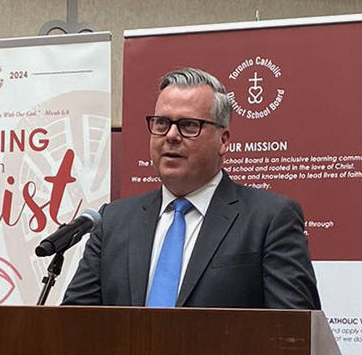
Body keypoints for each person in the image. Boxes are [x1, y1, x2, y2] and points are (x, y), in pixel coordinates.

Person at [62, 67, 320, 309]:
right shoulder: (113, 221)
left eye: (189, 125)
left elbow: (295, 329)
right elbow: (73, 323)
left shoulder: (269, 219)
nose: (171, 136)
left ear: (223, 140)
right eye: (162, 123)